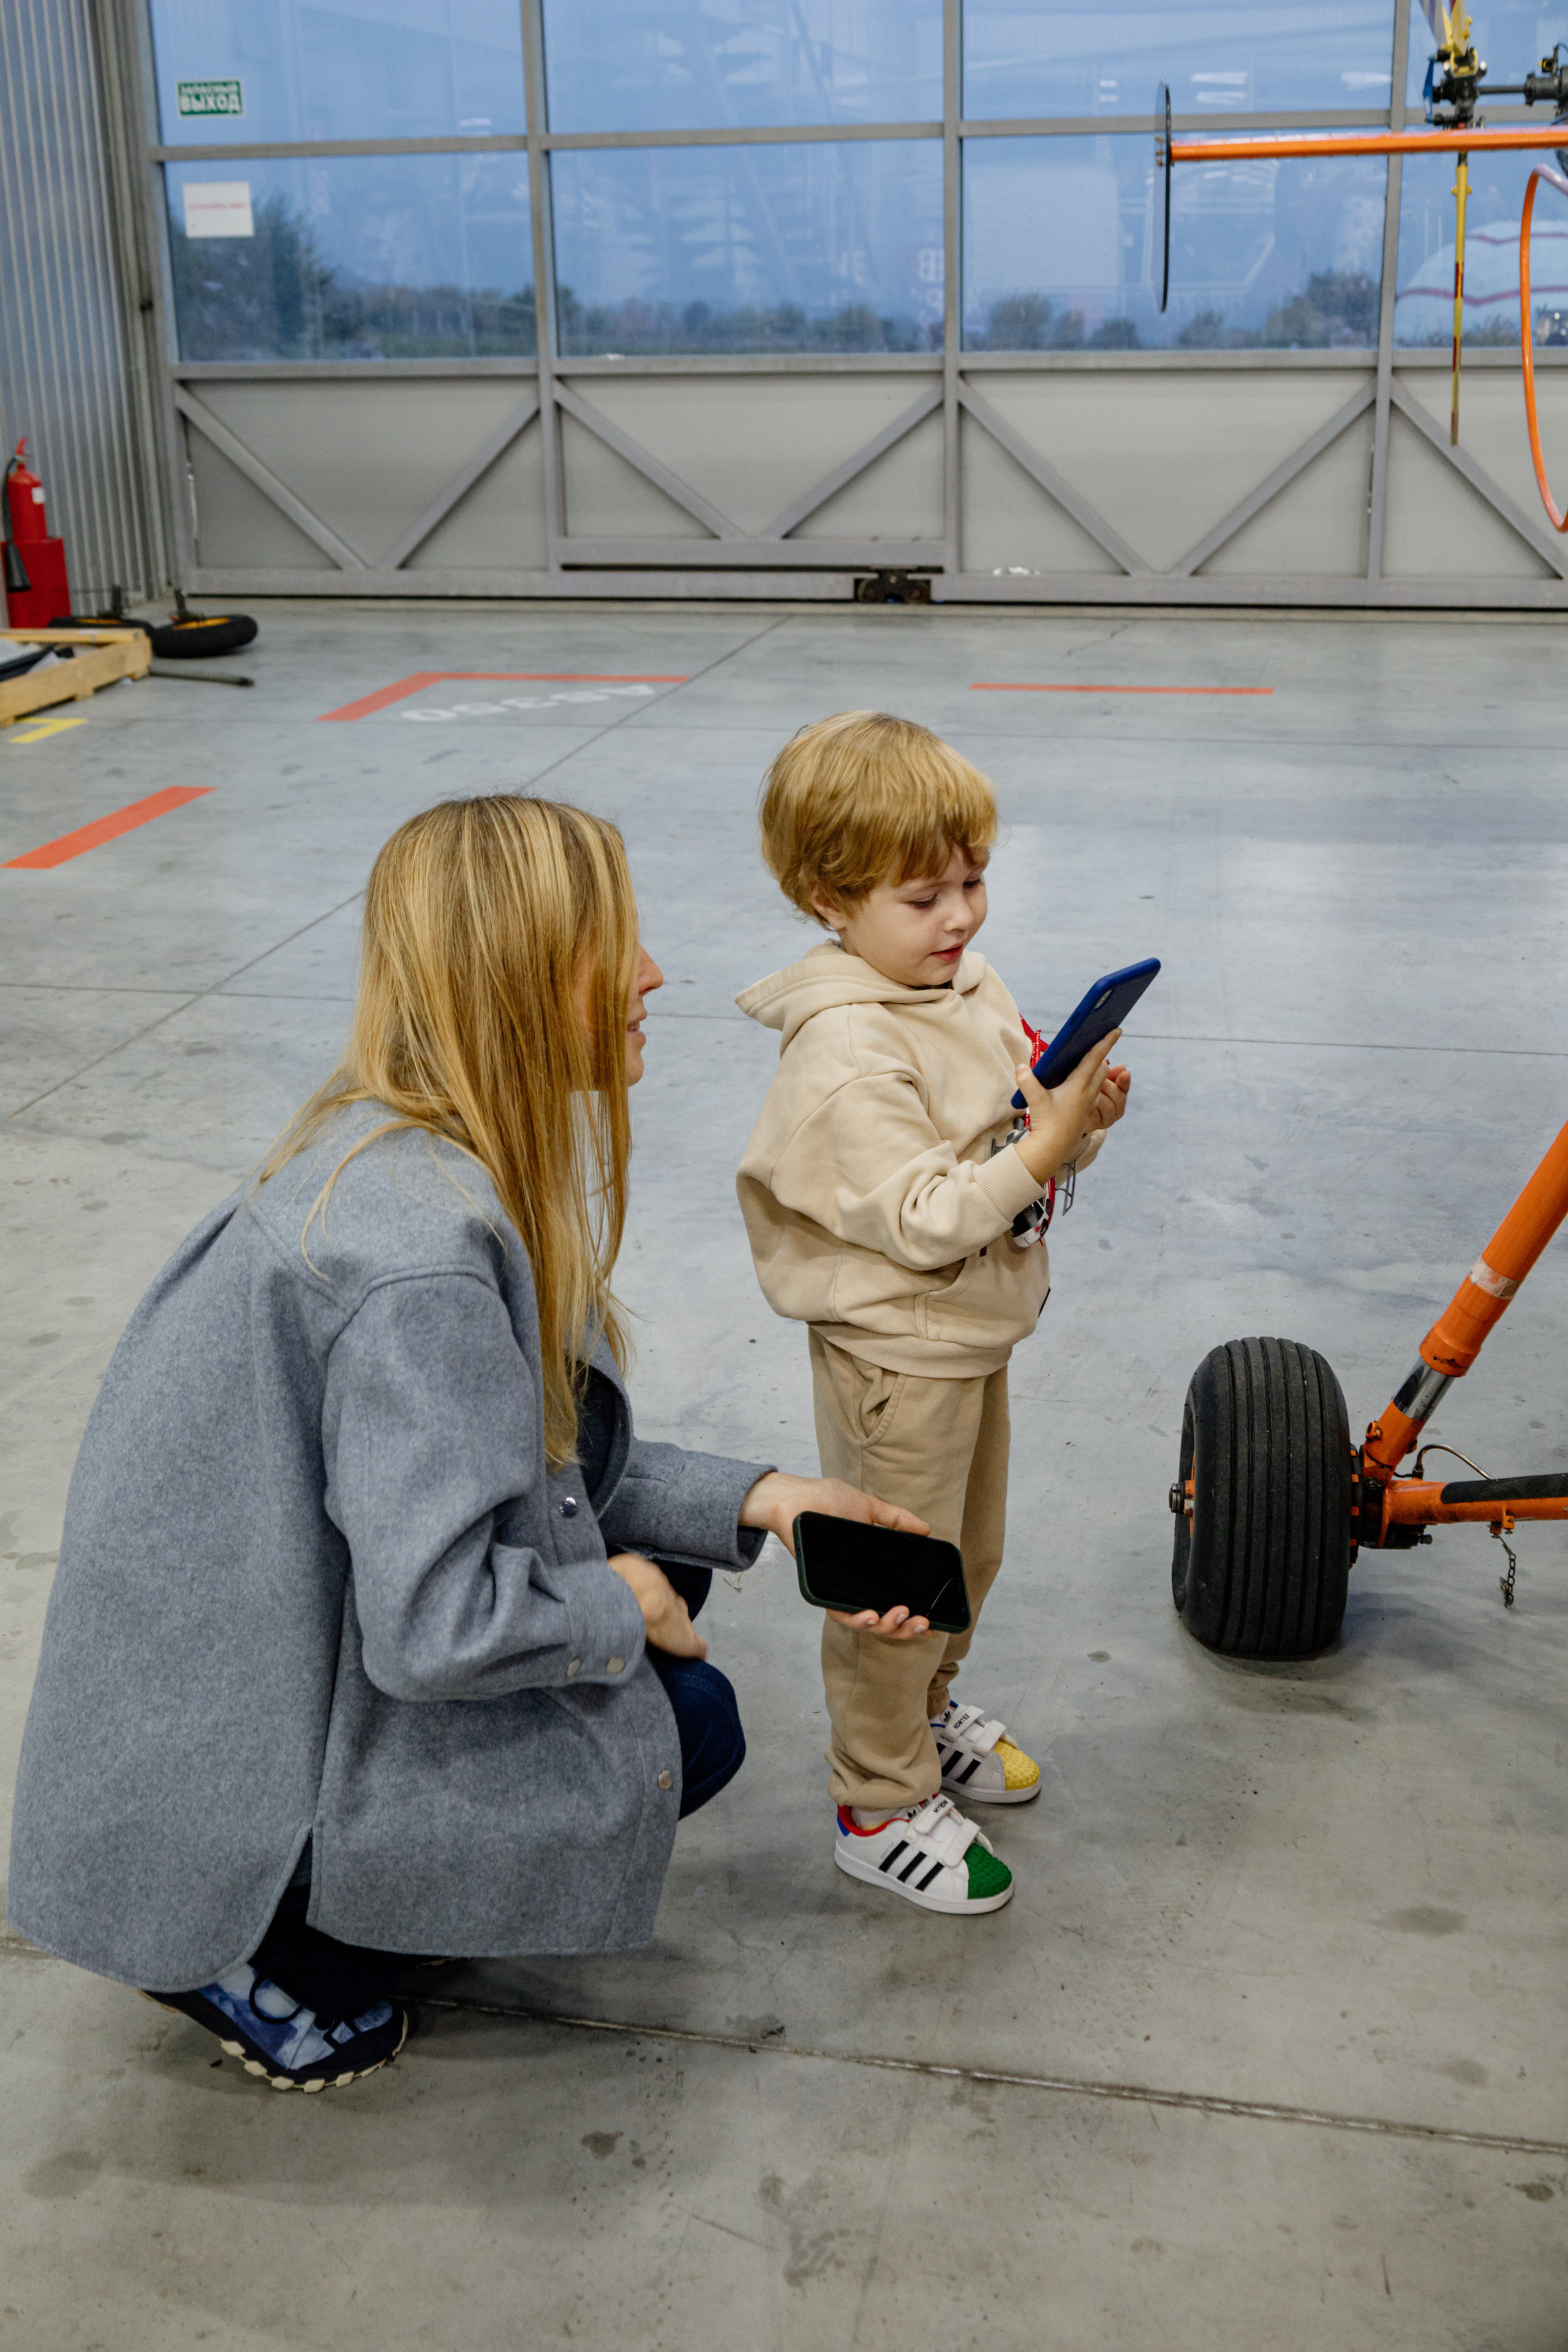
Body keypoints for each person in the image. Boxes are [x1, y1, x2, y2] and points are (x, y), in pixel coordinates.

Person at [6, 794, 924, 2093]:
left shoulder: (396, 1149)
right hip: (234, 1773)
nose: (655, 974)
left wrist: (766, 1500)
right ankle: (259, 1948)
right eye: (620, 945)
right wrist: (615, 1598)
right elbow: (436, 1627)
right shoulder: (420, 1256)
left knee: (675, 1598)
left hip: (248, 1690)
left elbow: (535, 1464)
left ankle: (344, 1893)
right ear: (521, 979)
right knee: (689, 1721)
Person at [736, 713, 1131, 1917]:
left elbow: (1011, 1136)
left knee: (969, 1559)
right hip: (896, 1354)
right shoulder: (846, 1052)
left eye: (972, 882)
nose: (958, 918)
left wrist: (1073, 1122)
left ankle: (923, 1717)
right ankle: (878, 1796)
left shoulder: (957, 982)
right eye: (923, 897)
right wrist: (1044, 1147)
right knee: (895, 1589)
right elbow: (919, 1214)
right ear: (825, 896)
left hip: (969, 1330)